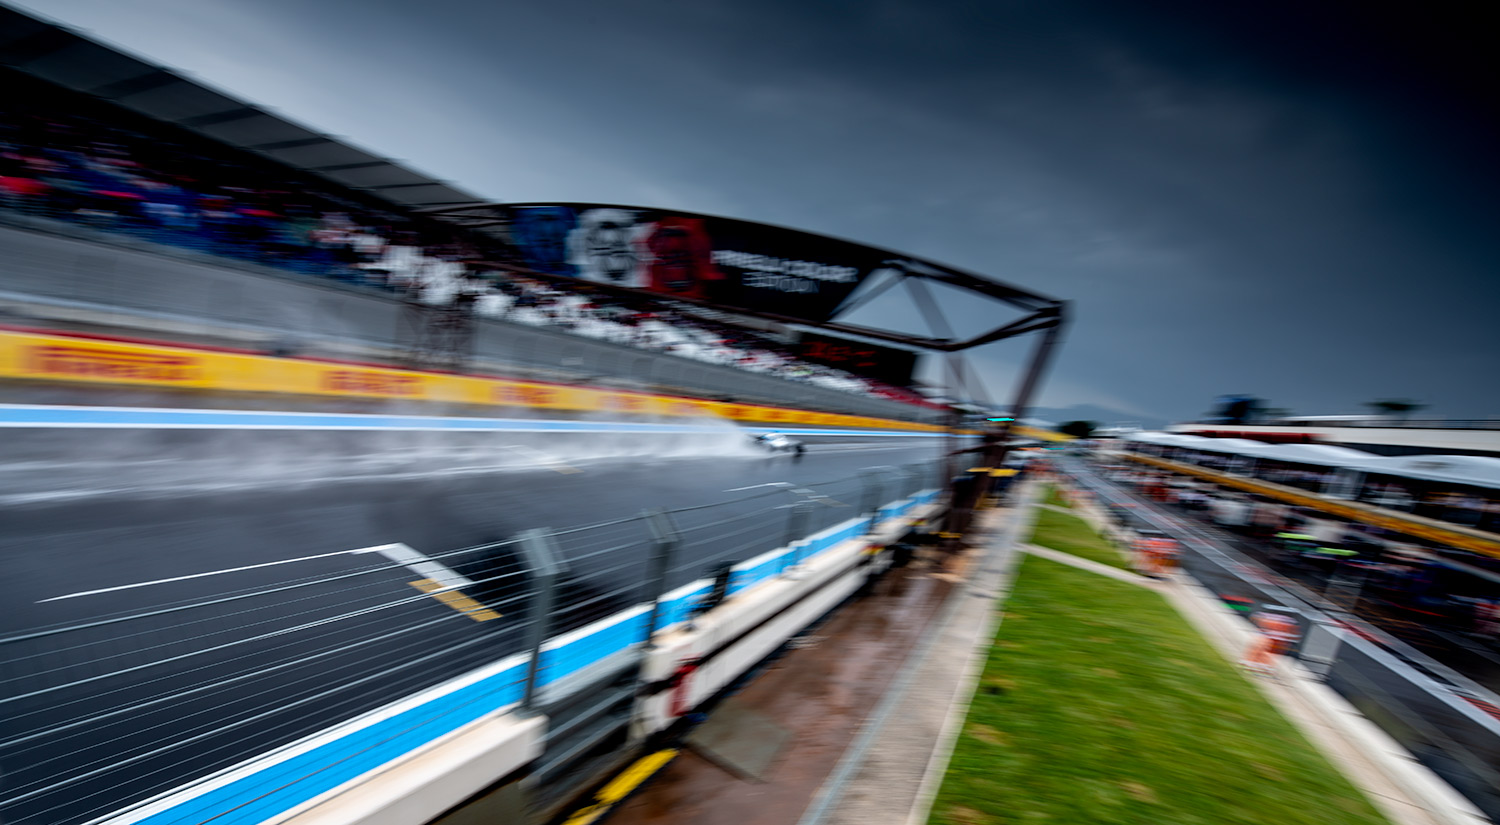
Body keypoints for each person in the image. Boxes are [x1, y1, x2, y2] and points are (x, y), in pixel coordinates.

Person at [1243, 605, 1300, 676]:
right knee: (1261, 649)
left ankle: (1259, 666)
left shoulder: (1286, 621)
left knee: (1266, 651)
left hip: (1274, 638)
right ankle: (1253, 664)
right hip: (1270, 636)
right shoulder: (1284, 620)